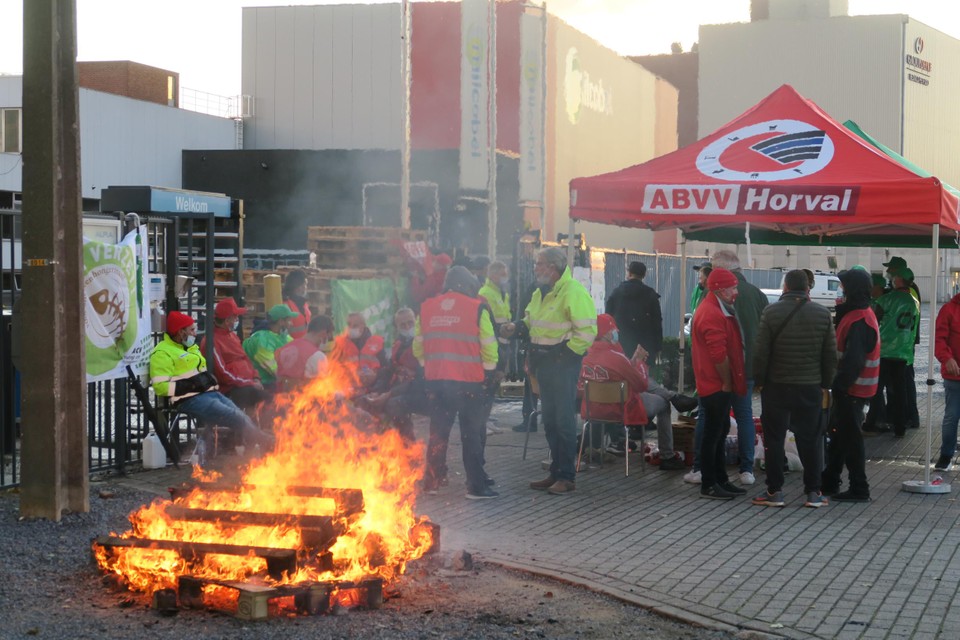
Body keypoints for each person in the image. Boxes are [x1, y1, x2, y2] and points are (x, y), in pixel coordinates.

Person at [502, 247, 597, 496]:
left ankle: (566, 476)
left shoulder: (573, 292)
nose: (535, 268)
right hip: (544, 364)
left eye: (539, 263)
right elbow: (532, 322)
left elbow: (587, 332)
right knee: (551, 421)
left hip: (562, 366)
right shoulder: (541, 292)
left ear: (552, 268)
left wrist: (564, 357)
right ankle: (556, 472)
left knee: (563, 421)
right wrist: (517, 327)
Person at [752, 269, 837, 508]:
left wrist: (759, 381)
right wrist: (825, 384)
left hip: (776, 386)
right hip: (809, 387)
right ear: (808, 288)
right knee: (810, 440)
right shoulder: (822, 314)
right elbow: (830, 355)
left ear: (785, 287)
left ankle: (775, 491)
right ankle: (813, 492)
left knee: (774, 439)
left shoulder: (771, 312)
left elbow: (761, 352)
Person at [414, 266, 499, 499]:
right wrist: (488, 374)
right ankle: (476, 487)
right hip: (470, 382)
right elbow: (489, 346)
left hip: (437, 381)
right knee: (471, 434)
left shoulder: (426, 308)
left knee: (438, 432)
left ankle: (432, 481)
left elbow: (418, 347)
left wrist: (428, 369)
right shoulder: (477, 308)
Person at [684, 250, 766, 486]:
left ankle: (701, 469)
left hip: (718, 374)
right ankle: (745, 469)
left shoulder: (711, 299)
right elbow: (763, 331)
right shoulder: (756, 294)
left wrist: (726, 380)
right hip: (743, 368)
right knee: (743, 416)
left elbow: (714, 348)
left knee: (709, 421)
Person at [579, 314, 695, 470]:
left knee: (653, 390)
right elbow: (641, 384)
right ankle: (667, 456)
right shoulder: (616, 358)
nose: (616, 333)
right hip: (623, 409)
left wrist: (632, 362)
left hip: (593, 410)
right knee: (663, 404)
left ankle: (673, 396)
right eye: (614, 330)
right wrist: (639, 362)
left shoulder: (585, 356)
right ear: (607, 334)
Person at [151, 311, 275, 453]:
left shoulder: (190, 348)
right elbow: (160, 387)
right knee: (236, 417)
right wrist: (193, 385)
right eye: (191, 330)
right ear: (181, 332)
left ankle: (259, 444)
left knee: (241, 416)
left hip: (209, 393)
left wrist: (205, 382)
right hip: (190, 400)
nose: (194, 333)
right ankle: (266, 443)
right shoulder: (162, 353)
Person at [690, 268, 747, 500]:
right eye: (733, 288)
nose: (736, 292)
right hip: (714, 384)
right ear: (721, 290)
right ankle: (709, 483)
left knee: (720, 430)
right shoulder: (712, 313)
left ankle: (720, 479)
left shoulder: (715, 308)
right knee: (713, 434)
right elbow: (718, 354)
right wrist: (726, 382)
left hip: (713, 382)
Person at [822, 268, 878, 501]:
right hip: (853, 388)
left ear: (852, 290)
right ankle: (830, 479)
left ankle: (859, 487)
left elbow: (854, 360)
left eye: (843, 286)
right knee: (840, 435)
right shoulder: (859, 314)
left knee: (850, 438)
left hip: (852, 389)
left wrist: (840, 385)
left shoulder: (859, 319)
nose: (840, 290)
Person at [362, 307, 428, 440]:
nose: (407, 327)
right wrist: (377, 390)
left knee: (392, 404)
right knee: (368, 400)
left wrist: (389, 394)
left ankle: (408, 444)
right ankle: (383, 442)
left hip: (421, 391)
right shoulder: (397, 345)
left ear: (416, 321)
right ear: (397, 327)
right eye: (402, 325)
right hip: (400, 388)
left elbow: (419, 379)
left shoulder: (424, 344)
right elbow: (388, 371)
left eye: (410, 323)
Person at [872, 267, 919, 438]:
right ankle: (900, 427)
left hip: (885, 350)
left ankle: (874, 422)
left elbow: (873, 321)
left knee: (877, 389)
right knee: (900, 391)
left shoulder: (886, 299)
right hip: (903, 352)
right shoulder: (914, 302)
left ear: (898, 280)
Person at [198, 298, 270, 411]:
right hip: (229, 389)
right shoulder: (212, 341)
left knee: (272, 396)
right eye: (235, 317)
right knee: (266, 399)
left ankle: (255, 420)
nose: (237, 319)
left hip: (246, 384)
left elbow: (246, 359)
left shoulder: (233, 336)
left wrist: (256, 377)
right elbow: (223, 374)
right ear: (227, 320)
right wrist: (250, 383)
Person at [883, 256, 921, 430]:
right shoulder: (909, 290)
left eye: (890, 269)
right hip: (903, 344)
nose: (888, 272)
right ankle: (901, 416)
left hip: (902, 344)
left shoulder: (908, 292)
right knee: (901, 382)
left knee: (904, 382)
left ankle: (909, 416)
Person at [605, 261, 663, 362]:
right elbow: (657, 323)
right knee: (643, 371)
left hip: (621, 345)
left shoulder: (616, 293)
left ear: (629, 273)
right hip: (645, 348)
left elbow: (607, 318)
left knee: (622, 371)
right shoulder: (650, 295)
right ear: (644, 275)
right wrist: (658, 347)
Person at [478, 260, 511, 435]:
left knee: (494, 385)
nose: (505, 277)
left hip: (503, 341)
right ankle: (482, 421)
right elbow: (488, 321)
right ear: (493, 274)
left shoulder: (501, 292)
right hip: (494, 342)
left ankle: (487, 418)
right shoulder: (486, 293)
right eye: (502, 274)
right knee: (489, 385)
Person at [243, 304, 297, 390]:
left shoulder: (283, 336)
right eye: (289, 320)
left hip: (274, 381)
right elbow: (273, 368)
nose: (291, 324)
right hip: (260, 384)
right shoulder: (262, 340)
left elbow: (297, 350)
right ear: (281, 321)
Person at [935, 290, 960, 471]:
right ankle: (946, 456)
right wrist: (947, 358)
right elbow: (939, 340)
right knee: (951, 416)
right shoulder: (949, 309)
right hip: (954, 375)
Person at [275, 314, 335, 389]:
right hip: (303, 395)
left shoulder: (285, 348)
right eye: (329, 337)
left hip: (280, 395)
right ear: (323, 334)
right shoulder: (318, 356)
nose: (328, 341)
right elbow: (323, 388)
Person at [331, 312, 387, 391]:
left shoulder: (377, 342)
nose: (351, 328)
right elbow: (333, 367)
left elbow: (386, 368)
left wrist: (375, 375)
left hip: (373, 388)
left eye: (355, 325)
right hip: (348, 389)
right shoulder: (341, 343)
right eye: (349, 325)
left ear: (363, 325)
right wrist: (351, 374)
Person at [282, 269, 312, 340]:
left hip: (305, 343)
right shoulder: (286, 305)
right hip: (292, 344)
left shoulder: (304, 303)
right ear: (297, 286)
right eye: (304, 284)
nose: (305, 287)